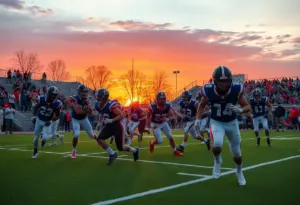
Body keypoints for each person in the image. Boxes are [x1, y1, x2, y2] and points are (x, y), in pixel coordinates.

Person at [195, 66, 250, 186]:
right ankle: (217, 161)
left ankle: (239, 172)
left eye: (226, 81)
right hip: (217, 122)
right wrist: (198, 120)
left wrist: (240, 110)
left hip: (232, 123)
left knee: (237, 153)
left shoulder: (236, 89)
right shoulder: (208, 90)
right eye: (221, 81)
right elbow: (201, 105)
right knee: (217, 145)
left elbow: (247, 106)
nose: (224, 84)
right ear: (215, 81)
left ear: (230, 80)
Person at [94, 88, 139, 165]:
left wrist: (111, 120)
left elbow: (121, 115)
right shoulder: (97, 105)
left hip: (118, 124)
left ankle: (135, 150)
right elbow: (102, 113)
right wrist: (99, 122)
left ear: (105, 98)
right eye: (98, 96)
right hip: (110, 125)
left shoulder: (110, 105)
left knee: (121, 148)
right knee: (100, 139)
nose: (98, 98)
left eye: (100, 96)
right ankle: (112, 154)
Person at [148, 92, 183, 156]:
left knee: (170, 136)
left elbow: (172, 115)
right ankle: (152, 143)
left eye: (163, 99)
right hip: (155, 124)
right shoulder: (152, 106)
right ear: (157, 99)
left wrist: (167, 119)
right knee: (160, 141)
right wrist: (151, 125)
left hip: (163, 123)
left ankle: (175, 150)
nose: (162, 100)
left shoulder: (167, 105)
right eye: (160, 99)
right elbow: (148, 117)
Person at [32, 86, 62, 158]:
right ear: (49, 93)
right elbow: (35, 108)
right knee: (35, 138)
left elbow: (57, 116)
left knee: (45, 138)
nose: (54, 96)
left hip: (47, 122)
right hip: (39, 120)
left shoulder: (57, 103)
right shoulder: (41, 99)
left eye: (55, 95)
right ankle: (35, 151)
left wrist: (51, 121)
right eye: (53, 94)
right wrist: (33, 116)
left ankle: (43, 142)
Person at [67, 84, 97, 159]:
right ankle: (74, 150)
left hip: (84, 119)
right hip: (76, 119)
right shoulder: (75, 99)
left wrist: (88, 108)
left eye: (86, 91)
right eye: (83, 92)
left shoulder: (87, 99)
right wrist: (86, 110)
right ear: (79, 92)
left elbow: (91, 112)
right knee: (76, 134)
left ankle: (98, 139)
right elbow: (78, 112)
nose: (84, 93)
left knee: (91, 135)